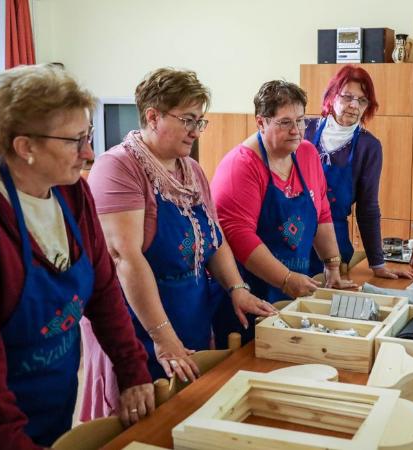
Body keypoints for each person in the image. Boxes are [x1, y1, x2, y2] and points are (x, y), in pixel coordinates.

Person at [0, 65, 153, 449]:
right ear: (25, 147)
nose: (89, 152)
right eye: (75, 141)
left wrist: (132, 369)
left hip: (45, 410)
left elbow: (103, 292)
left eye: (87, 136)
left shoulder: (70, 192)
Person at [79, 68, 276, 420]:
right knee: (143, 426)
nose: (195, 131)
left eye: (200, 121)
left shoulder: (191, 169)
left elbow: (215, 242)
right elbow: (125, 258)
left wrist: (237, 288)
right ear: (153, 117)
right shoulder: (118, 167)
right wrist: (163, 337)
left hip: (191, 315)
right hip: (140, 326)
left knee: (187, 416)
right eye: (188, 119)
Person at [211, 80, 356, 344]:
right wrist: (286, 279)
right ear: (261, 122)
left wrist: (332, 265)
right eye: (285, 122)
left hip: (292, 292)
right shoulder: (241, 166)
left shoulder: (307, 155)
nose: (296, 131)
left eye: (300, 121)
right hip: (250, 295)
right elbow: (239, 237)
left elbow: (321, 211)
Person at [303, 65, 413, 280]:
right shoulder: (304, 129)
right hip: (293, 240)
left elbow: (368, 209)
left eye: (362, 100)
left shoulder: (368, 147)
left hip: (334, 247)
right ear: (332, 96)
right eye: (347, 97)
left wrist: (378, 263)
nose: (354, 105)